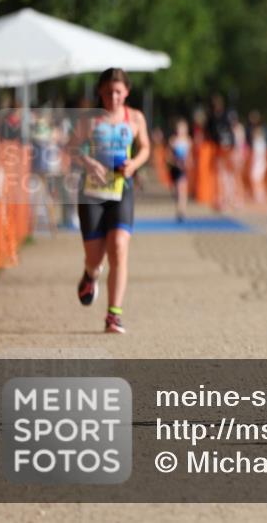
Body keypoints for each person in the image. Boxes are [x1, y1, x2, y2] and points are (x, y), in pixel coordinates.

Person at [72, 68, 150, 334]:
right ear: (100, 92)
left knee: (118, 246)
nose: (113, 97)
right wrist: (88, 162)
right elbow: (71, 148)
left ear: (126, 92)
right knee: (95, 257)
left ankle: (113, 315)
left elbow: (146, 147)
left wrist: (134, 165)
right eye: (107, 92)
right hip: (91, 193)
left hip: (121, 190)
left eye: (118, 92)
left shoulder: (135, 118)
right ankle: (90, 274)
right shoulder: (89, 120)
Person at [167, 118, 192, 222]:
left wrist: (187, 163)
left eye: (183, 128)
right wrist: (175, 162)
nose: (181, 130)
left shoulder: (188, 141)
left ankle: (182, 211)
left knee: (182, 189)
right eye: (179, 128)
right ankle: (179, 207)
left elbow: (190, 156)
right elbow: (168, 156)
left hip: (184, 169)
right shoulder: (173, 141)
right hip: (175, 169)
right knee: (176, 191)